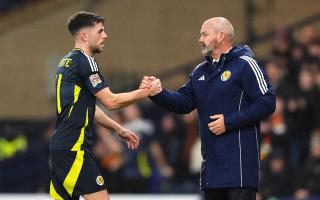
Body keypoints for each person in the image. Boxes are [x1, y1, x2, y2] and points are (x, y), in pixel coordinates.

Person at [142, 17, 276, 200]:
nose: (200, 39)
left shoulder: (246, 64)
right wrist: (158, 93)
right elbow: (184, 103)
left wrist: (228, 122)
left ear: (221, 36)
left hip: (240, 170)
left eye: (204, 34)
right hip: (212, 171)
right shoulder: (200, 71)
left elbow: (267, 102)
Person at [49, 11, 160, 200]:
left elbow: (88, 108)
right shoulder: (86, 62)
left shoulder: (66, 62)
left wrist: (118, 128)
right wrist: (146, 92)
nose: (105, 35)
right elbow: (111, 101)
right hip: (73, 149)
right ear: (85, 36)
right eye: (100, 31)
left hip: (61, 148)